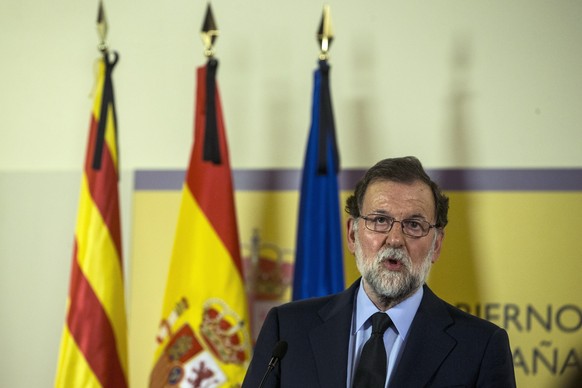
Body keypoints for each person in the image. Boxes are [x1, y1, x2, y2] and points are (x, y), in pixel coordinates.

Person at [242, 156, 516, 388]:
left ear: (436, 245)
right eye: (380, 220)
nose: (395, 239)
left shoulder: (480, 348)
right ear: (352, 234)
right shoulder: (288, 329)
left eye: (414, 225)